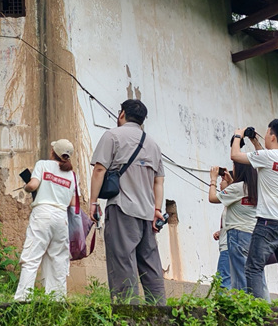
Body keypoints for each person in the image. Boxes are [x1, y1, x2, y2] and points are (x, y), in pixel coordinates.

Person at [89, 99, 166, 305]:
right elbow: (158, 181)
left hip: (122, 207)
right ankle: (160, 312)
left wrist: (93, 202)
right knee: (151, 266)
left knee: (123, 262)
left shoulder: (112, 136)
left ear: (122, 114)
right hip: (148, 213)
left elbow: (99, 170)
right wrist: (157, 209)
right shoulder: (153, 145)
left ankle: (127, 314)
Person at [231, 119, 278, 302]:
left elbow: (235, 156)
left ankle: (259, 311)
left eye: (267, 131)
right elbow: (266, 157)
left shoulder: (267, 157)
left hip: (268, 222)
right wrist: (254, 140)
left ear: (272, 135)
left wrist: (238, 134)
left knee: (253, 267)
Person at [14, 139, 77, 301]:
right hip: (61, 218)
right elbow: (72, 203)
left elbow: (33, 185)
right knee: (58, 261)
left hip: (42, 214)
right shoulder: (72, 175)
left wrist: (26, 186)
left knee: (32, 257)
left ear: (53, 152)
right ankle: (57, 301)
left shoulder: (43, 165)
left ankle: (23, 299)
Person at [209, 163, 269, 298]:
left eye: (235, 167)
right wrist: (230, 183)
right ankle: (265, 307)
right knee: (257, 275)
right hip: (255, 236)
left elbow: (212, 198)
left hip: (238, 235)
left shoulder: (237, 188)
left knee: (239, 276)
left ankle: (243, 307)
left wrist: (213, 179)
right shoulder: (258, 189)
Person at [212, 174, 231, 289]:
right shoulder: (230, 204)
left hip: (227, 247)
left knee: (223, 281)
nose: (220, 183)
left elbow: (212, 197)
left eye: (223, 180)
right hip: (227, 244)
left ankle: (223, 305)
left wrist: (212, 180)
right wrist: (221, 231)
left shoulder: (233, 197)